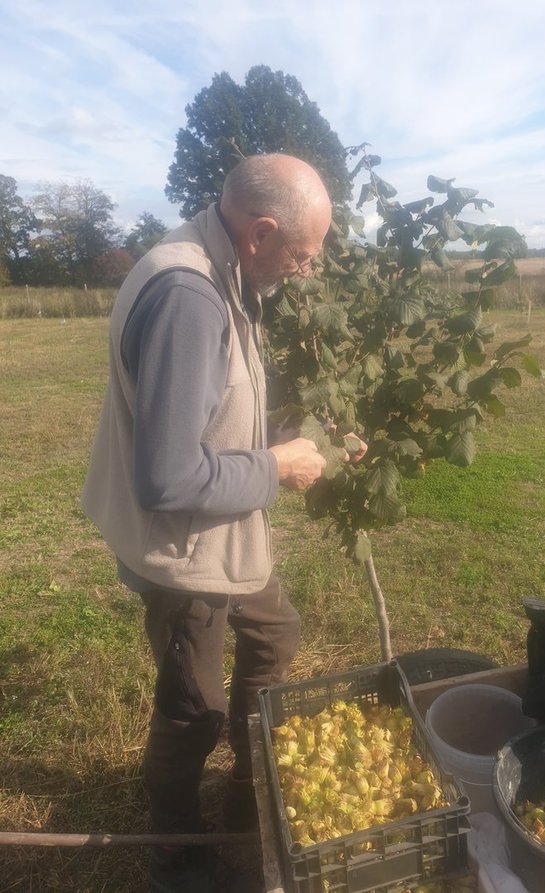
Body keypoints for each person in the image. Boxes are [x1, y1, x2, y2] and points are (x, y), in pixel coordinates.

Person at [81, 154, 356, 892]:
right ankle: (174, 848)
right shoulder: (189, 297)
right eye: (302, 254)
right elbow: (168, 477)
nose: (308, 269)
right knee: (191, 706)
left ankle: (245, 780)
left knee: (274, 632)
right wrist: (279, 469)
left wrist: (305, 435)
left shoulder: (223, 263)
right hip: (181, 550)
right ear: (261, 231)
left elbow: (215, 409)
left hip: (219, 531)